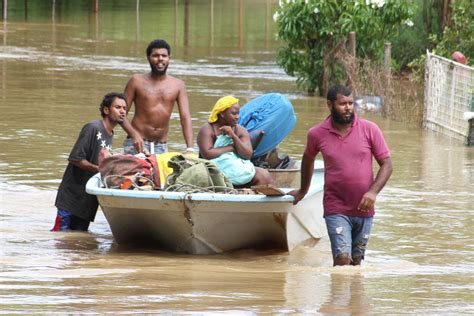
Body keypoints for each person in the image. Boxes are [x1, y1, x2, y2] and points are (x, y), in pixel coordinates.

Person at [289, 85, 392, 266]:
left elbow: (387, 164)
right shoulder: (317, 134)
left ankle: (353, 294)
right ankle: (337, 294)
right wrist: (303, 191)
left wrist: (373, 192)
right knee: (343, 259)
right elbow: (308, 159)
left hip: (365, 208)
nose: (348, 108)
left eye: (351, 103)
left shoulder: (370, 129)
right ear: (330, 105)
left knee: (357, 262)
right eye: (342, 103)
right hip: (336, 207)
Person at [52, 92, 127, 231]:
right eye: (118, 107)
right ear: (106, 110)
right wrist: (99, 169)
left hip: (87, 201)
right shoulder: (93, 127)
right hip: (71, 197)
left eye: (124, 108)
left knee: (79, 242)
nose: (123, 111)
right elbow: (76, 158)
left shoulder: (110, 133)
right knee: (61, 237)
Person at [121, 39, 193, 155]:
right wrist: (134, 135)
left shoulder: (178, 85)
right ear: (148, 58)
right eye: (155, 55)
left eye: (164, 55)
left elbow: (185, 117)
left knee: (163, 173)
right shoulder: (136, 81)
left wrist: (190, 148)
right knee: (136, 173)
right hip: (137, 143)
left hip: (162, 146)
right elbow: (120, 113)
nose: (160, 59)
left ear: (169, 58)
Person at [197, 95, 273, 187]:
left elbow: (247, 155)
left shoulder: (240, 130)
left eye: (238, 114)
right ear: (222, 114)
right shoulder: (207, 129)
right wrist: (231, 148)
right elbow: (207, 154)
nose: (237, 117)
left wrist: (233, 136)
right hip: (214, 169)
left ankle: (254, 197)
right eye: (233, 114)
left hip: (237, 167)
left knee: (264, 175)